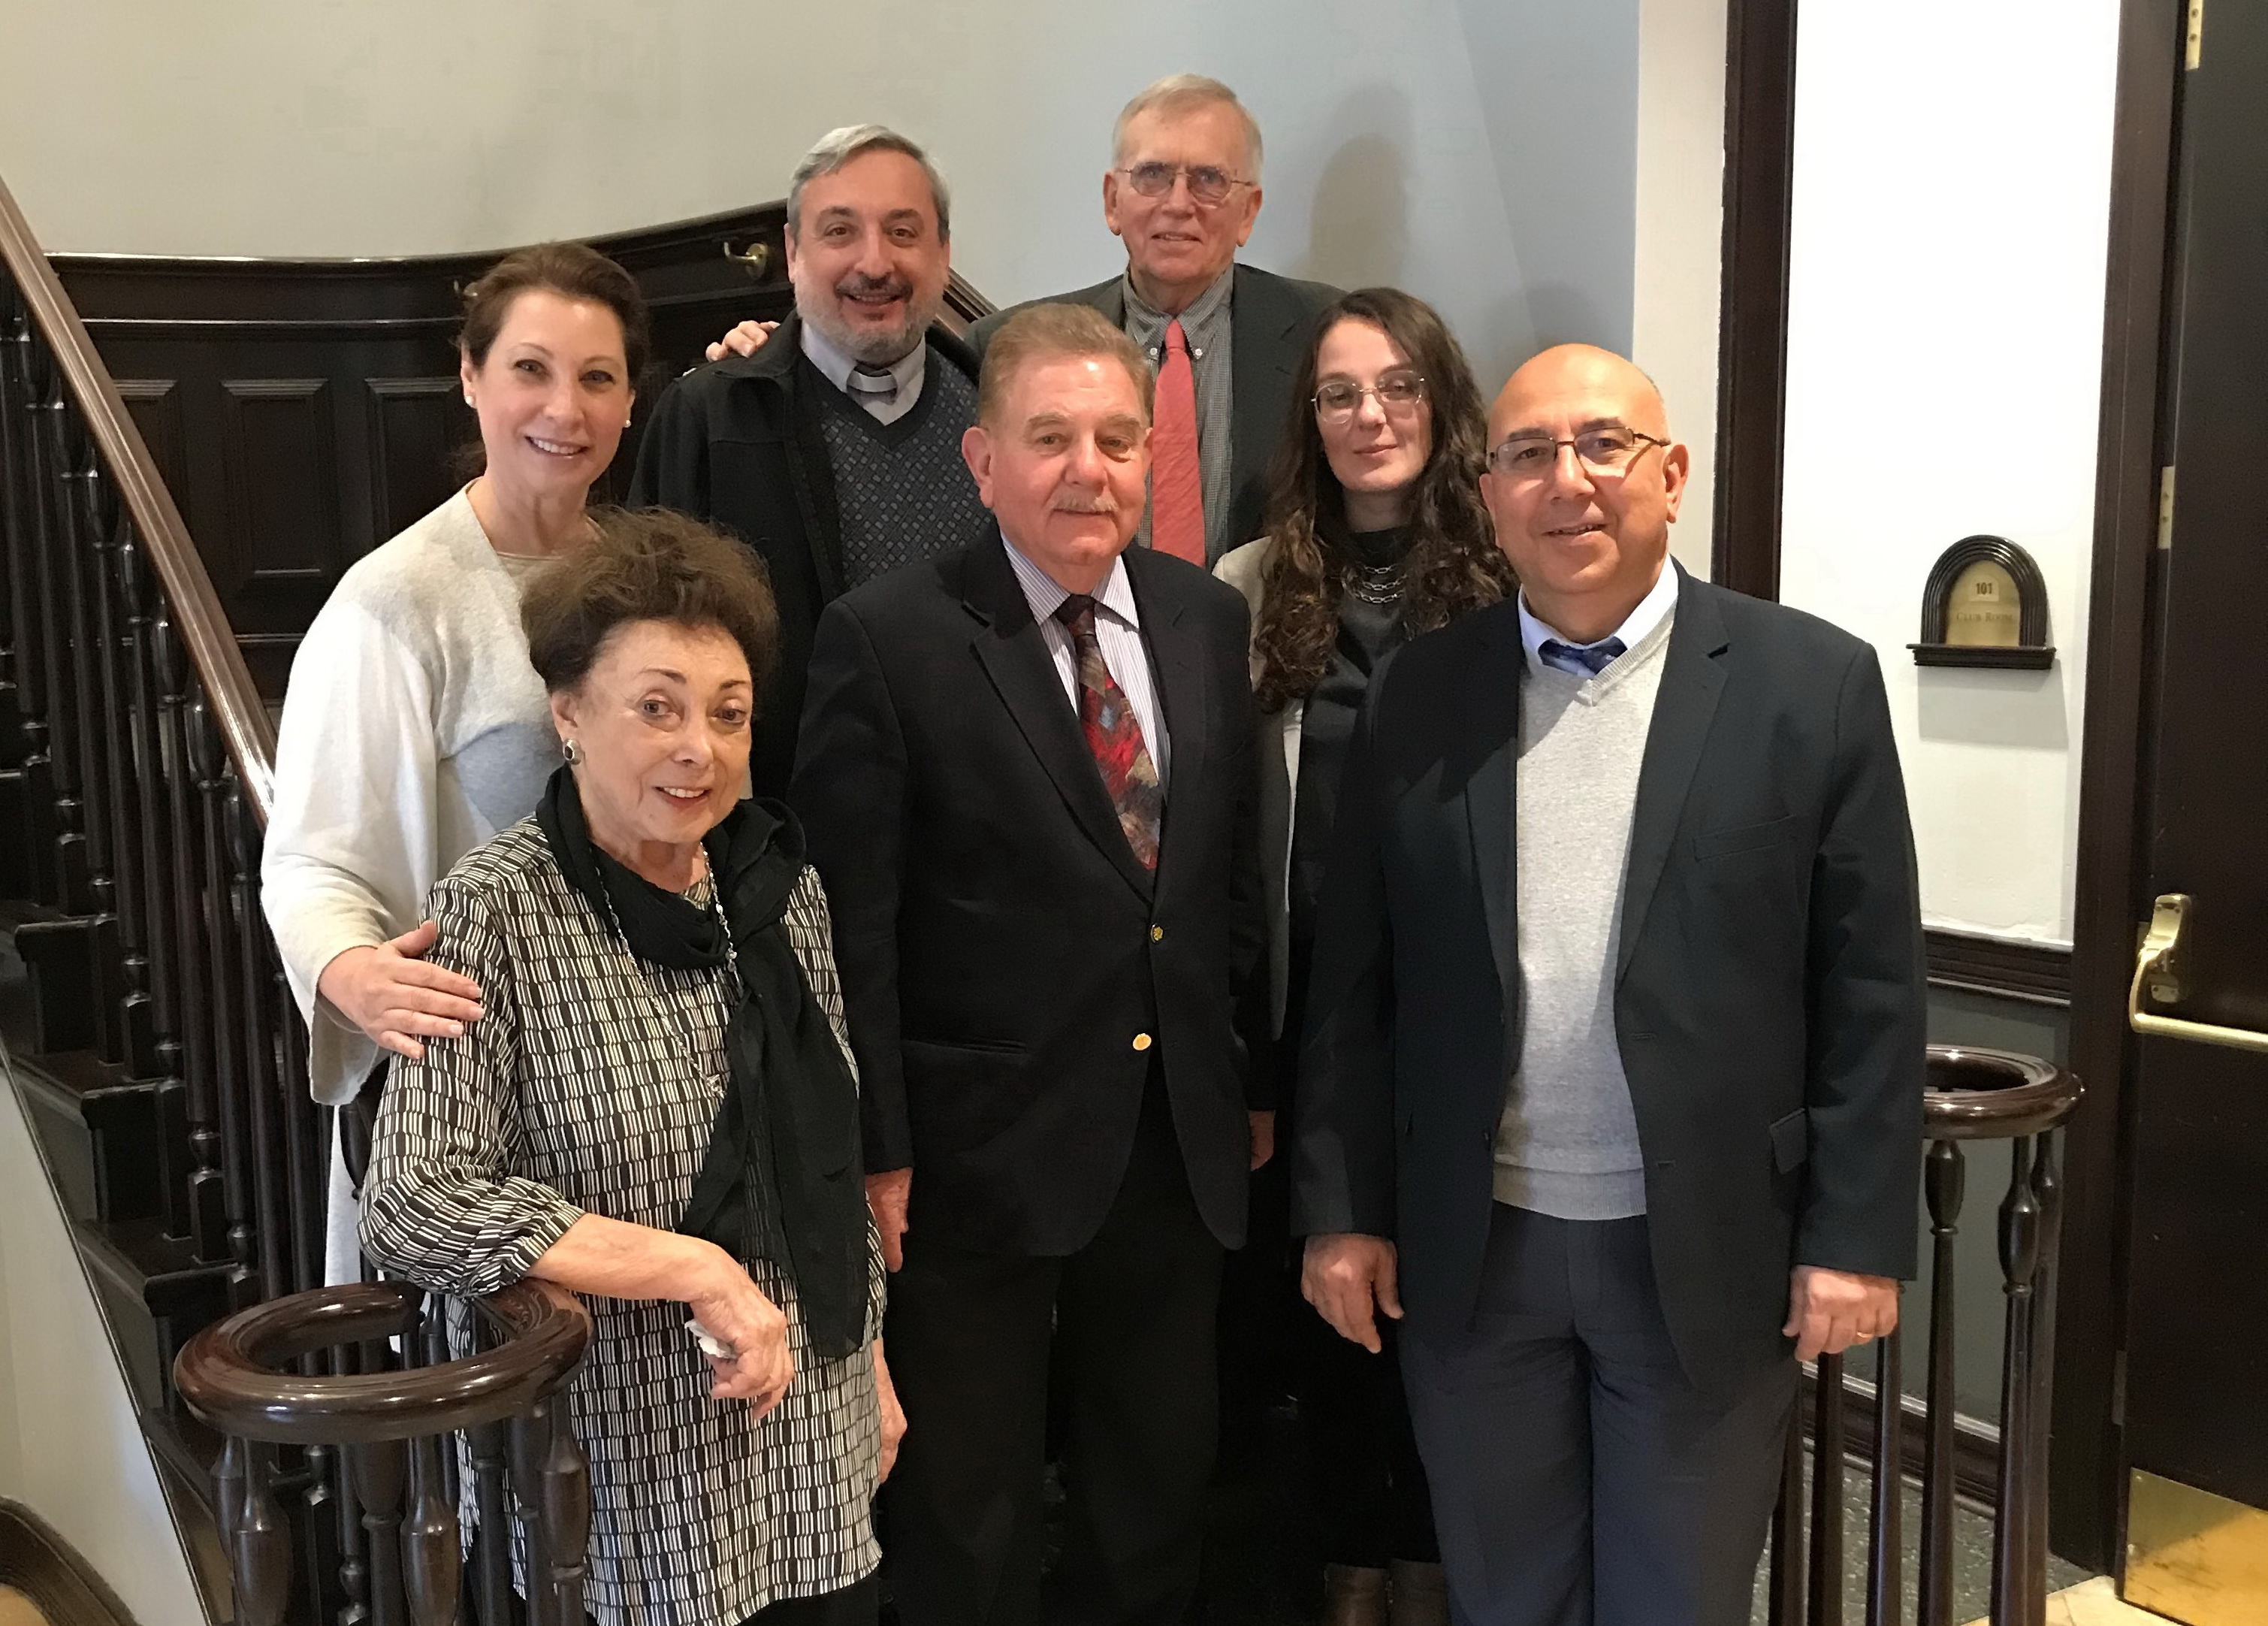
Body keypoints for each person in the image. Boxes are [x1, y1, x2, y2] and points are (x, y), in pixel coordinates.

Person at [1294, 344, 1925, 1626]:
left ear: (1670, 474)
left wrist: (1852, 1236)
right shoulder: (1421, 689)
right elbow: (1355, 974)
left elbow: (1867, 983)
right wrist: (1340, 1209)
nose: (1565, 480)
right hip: (1475, 1245)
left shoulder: (1809, 683)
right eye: (1527, 453)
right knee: (1502, 1596)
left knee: (1674, 1599)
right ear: (1488, 493)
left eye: (1601, 445)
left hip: (1703, 1244)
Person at [790, 301, 1272, 1626]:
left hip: (1172, 1133)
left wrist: (1246, 1075)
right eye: (1049, 437)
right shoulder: (888, 635)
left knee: (1152, 1482)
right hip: (974, 1149)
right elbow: (851, 922)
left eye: (1115, 439)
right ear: (983, 459)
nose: (1087, 469)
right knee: (970, 1505)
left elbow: (1225, 876)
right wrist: (877, 1146)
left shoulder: (1202, 618)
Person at [359, 509, 902, 1626]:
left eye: (727, 713)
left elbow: (823, 1153)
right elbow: (413, 1201)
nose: (698, 746)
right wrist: (691, 1268)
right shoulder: (498, 910)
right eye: (657, 707)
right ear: (567, 713)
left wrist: (874, 1365)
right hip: (627, 1463)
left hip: (810, 1424)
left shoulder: (778, 887)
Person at [261, 240, 650, 1278]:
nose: (563, 408)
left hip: (636, 1068)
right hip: (485, 1083)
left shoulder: (640, 580)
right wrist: (354, 972)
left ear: (628, 402)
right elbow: (310, 860)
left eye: (596, 377)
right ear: (471, 377)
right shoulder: (395, 600)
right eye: (530, 368)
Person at [1214, 287, 1510, 1626]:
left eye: (1395, 386)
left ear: (1441, 404)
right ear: (1307, 420)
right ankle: (1344, 1562)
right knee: (1321, 1294)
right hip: (1298, 1004)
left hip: (1451, 1006)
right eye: (1337, 393)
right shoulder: (1248, 585)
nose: (1368, 415)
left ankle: (1431, 1558)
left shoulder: (1507, 574)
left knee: (1445, 1297)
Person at [710, 76, 1337, 568]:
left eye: (1208, 180)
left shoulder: (1323, 336)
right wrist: (773, 353)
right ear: (1112, 201)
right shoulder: (1002, 347)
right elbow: (874, 375)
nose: (1177, 203)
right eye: (1151, 176)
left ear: (1248, 210)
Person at [630, 124, 990, 793]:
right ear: (794, 251)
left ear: (943, 253)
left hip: (978, 820)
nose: (874, 263)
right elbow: (645, 655)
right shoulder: (709, 419)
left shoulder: (998, 411)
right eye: (839, 232)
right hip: (782, 828)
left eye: (903, 232)